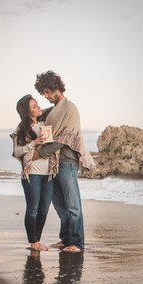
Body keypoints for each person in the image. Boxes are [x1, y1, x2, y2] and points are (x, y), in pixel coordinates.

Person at [33, 71, 96, 253]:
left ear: (55, 87)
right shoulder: (52, 111)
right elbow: (40, 124)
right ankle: (66, 239)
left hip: (67, 161)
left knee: (72, 204)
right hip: (52, 164)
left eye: (46, 92)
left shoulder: (70, 108)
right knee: (60, 206)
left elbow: (64, 138)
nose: (45, 96)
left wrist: (42, 152)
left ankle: (77, 243)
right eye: (42, 93)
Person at [10, 94, 58, 251]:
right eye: (34, 106)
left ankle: (37, 240)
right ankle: (33, 242)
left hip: (49, 173)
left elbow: (56, 109)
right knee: (33, 209)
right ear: (26, 112)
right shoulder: (22, 129)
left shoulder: (46, 123)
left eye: (38, 105)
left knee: (44, 209)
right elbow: (17, 152)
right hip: (32, 175)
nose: (38, 107)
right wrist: (33, 143)